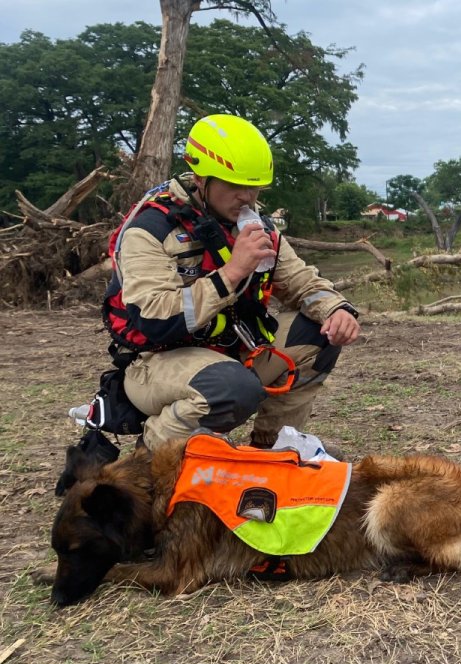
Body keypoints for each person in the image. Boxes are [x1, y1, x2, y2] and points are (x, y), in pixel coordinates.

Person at [103, 113, 361, 452]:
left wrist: (336, 309)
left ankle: (274, 452)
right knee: (231, 386)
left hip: (228, 353)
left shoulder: (257, 227)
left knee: (319, 333)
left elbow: (300, 281)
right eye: (234, 186)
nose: (246, 197)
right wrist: (231, 273)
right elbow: (153, 320)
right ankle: (149, 460)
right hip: (155, 364)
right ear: (200, 178)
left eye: (253, 186)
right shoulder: (151, 230)